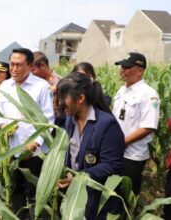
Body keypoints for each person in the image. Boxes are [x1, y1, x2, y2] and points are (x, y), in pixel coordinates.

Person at [0, 48, 54, 218]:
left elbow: (48, 121)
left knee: (36, 196)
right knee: (16, 193)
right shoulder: (5, 86)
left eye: (19, 65)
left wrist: (36, 143)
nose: (14, 68)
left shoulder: (41, 87)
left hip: (35, 154)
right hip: (12, 152)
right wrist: (2, 126)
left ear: (29, 65)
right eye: (12, 64)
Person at [57, 72, 125, 219]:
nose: (59, 103)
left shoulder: (107, 125)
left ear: (81, 98)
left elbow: (111, 164)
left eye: (63, 97)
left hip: (98, 199)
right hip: (74, 194)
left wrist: (78, 177)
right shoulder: (70, 120)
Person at [113, 52, 160, 195]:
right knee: (113, 194)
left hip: (132, 156)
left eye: (126, 67)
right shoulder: (122, 90)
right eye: (121, 67)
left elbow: (148, 127)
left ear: (140, 70)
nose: (122, 70)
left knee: (127, 195)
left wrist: (124, 142)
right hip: (116, 151)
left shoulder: (149, 94)